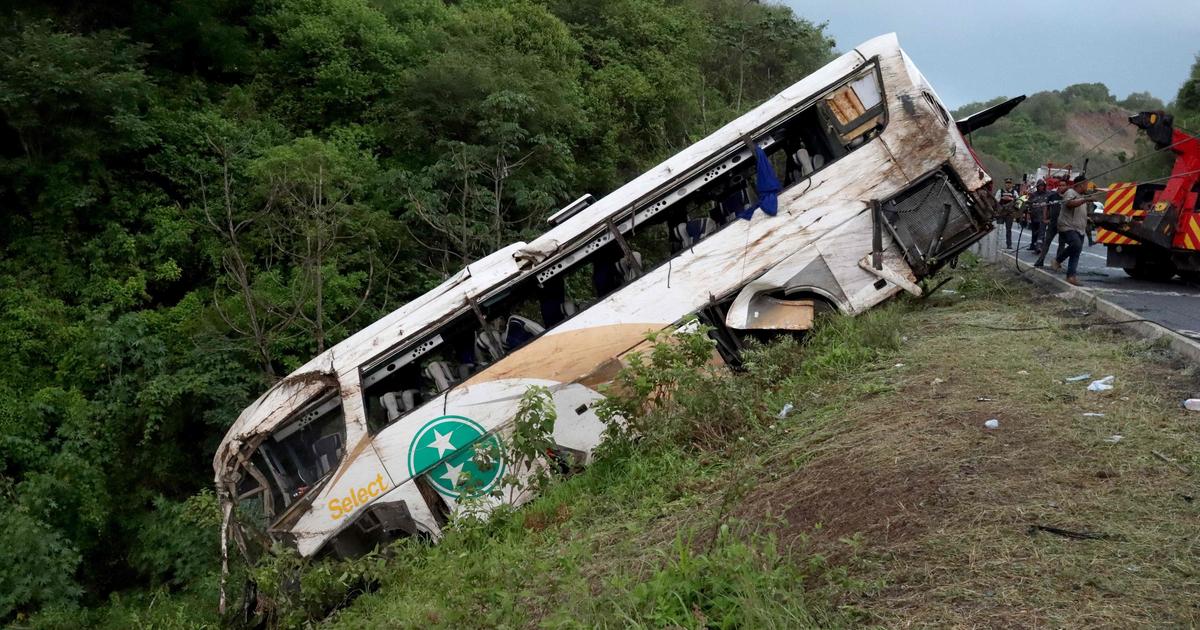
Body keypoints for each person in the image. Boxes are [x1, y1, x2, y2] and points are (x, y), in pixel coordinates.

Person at [1052, 175, 1094, 285]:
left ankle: (1071, 276)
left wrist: (1087, 218)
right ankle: (1057, 260)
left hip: (1079, 228)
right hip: (1068, 226)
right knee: (1076, 245)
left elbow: (1080, 212)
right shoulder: (1070, 193)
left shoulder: (1081, 195)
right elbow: (1070, 204)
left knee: (1076, 251)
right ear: (1080, 184)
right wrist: (1085, 200)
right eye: (1086, 184)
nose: (1087, 186)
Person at [1033, 181, 1066, 268]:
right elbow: (1046, 206)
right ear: (1058, 186)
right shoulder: (1052, 196)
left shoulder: (1068, 197)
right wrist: (1045, 218)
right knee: (1047, 242)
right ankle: (1040, 260)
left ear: (1066, 187)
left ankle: (1057, 262)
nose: (1062, 187)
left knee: (1061, 244)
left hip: (1063, 224)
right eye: (1060, 185)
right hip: (1053, 223)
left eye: (1063, 185)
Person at [994, 178, 1019, 249]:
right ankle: (997, 243)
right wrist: (1002, 199)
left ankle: (1009, 244)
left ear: (1012, 184)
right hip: (1001, 213)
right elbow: (996, 201)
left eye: (1009, 183)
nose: (1008, 184)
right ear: (1005, 184)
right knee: (999, 229)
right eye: (1007, 183)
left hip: (1009, 214)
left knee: (1008, 230)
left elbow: (1018, 202)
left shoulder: (1014, 192)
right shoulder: (1000, 191)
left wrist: (1012, 200)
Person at [1024, 180, 1049, 252]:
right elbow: (1028, 203)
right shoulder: (1033, 195)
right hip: (1034, 216)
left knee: (1041, 232)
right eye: (1039, 186)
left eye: (1042, 186)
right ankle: (1033, 245)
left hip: (1043, 217)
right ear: (1037, 186)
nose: (1041, 187)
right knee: (1034, 232)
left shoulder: (1048, 194)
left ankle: (1039, 247)